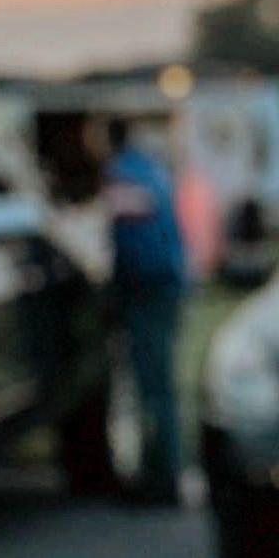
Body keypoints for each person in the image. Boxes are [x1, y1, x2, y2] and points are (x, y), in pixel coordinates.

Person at [103, 114, 191, 501]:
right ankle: (167, 472)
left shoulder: (122, 174)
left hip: (147, 291)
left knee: (153, 387)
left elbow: (132, 244)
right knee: (163, 385)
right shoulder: (150, 168)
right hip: (167, 285)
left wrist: (116, 288)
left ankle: (162, 478)